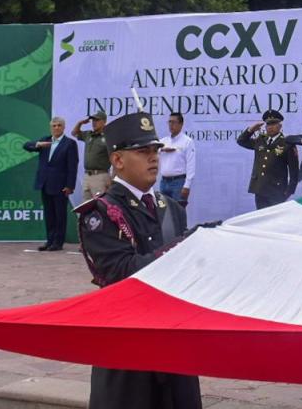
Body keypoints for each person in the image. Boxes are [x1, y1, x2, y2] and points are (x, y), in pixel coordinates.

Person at [73, 111, 201, 409]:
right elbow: (121, 273)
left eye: (155, 150)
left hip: (173, 342)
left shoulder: (171, 207)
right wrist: (186, 246)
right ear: (118, 160)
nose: (153, 157)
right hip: (127, 349)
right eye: (143, 151)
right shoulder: (101, 213)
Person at [23, 117, 79, 251]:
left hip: (61, 185)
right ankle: (50, 241)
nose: (56, 128)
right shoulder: (45, 140)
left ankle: (58, 243)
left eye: (59, 125)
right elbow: (26, 145)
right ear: (50, 127)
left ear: (64, 127)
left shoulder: (69, 143)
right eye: (54, 125)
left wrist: (70, 186)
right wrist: (38, 145)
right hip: (45, 183)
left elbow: (73, 166)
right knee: (49, 214)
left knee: (60, 215)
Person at [236, 110, 299, 210]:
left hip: (277, 190)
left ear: (280, 126)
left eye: (274, 124)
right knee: (262, 220)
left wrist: (288, 192)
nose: (270, 127)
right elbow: (241, 141)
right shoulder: (260, 140)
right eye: (268, 124)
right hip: (260, 189)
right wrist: (251, 130)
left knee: (276, 222)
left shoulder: (287, 143)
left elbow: (294, 171)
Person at [72, 110, 112, 201]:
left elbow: (115, 156)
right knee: (86, 206)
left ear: (104, 121)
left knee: (100, 205)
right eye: (93, 120)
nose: (94, 123)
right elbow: (74, 133)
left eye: (97, 120)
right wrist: (80, 123)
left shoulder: (108, 136)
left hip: (100, 176)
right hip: (87, 176)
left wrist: (112, 177)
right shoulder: (88, 134)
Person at [158, 112, 196, 207]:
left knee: (178, 213)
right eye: (169, 122)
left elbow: (191, 165)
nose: (171, 125)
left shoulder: (187, 142)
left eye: (174, 122)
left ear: (181, 124)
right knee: (164, 213)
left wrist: (187, 186)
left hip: (178, 183)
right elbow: (150, 152)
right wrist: (161, 149)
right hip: (164, 182)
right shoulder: (163, 142)